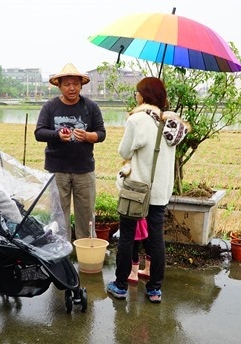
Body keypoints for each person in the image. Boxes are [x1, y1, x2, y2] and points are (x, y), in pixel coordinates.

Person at [107, 77, 190, 303]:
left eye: (137, 92)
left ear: (143, 96)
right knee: (156, 238)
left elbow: (124, 151)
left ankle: (121, 285)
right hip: (160, 191)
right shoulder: (172, 122)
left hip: (137, 189)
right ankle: (154, 289)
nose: (136, 96)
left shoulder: (138, 120)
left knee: (126, 238)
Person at [34, 63, 106, 240]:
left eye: (75, 84)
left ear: (81, 85)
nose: (71, 88)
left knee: (86, 215)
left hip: (84, 170)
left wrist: (88, 136)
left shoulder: (91, 107)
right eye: (67, 84)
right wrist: (57, 134)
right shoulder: (50, 107)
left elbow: (101, 134)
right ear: (59, 86)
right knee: (59, 216)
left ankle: (87, 254)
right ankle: (62, 255)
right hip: (57, 169)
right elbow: (39, 132)